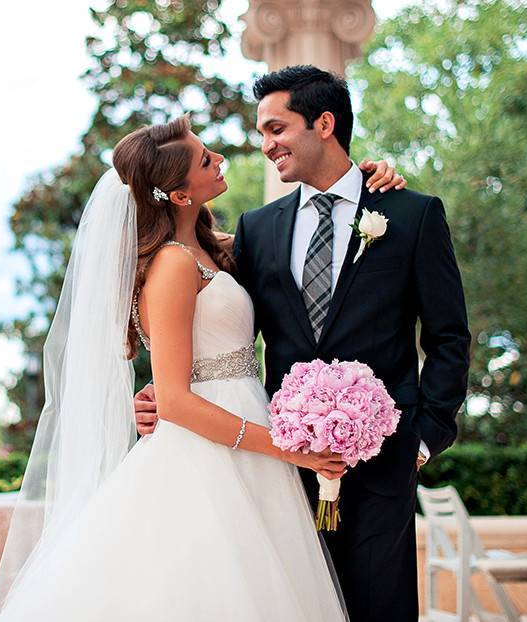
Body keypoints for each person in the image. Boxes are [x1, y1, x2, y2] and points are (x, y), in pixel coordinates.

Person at [0, 110, 407, 621]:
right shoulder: (173, 265)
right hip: (213, 450)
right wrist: (291, 451)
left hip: (248, 431)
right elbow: (178, 401)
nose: (221, 158)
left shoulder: (210, 250)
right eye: (206, 159)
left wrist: (368, 179)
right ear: (181, 195)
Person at [135, 65, 471, 622]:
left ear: (324, 123)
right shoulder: (255, 229)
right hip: (277, 470)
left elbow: (449, 336)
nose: (264, 146)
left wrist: (424, 439)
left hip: (382, 460)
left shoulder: (411, 215)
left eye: (275, 129)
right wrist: (160, 393)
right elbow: (217, 325)